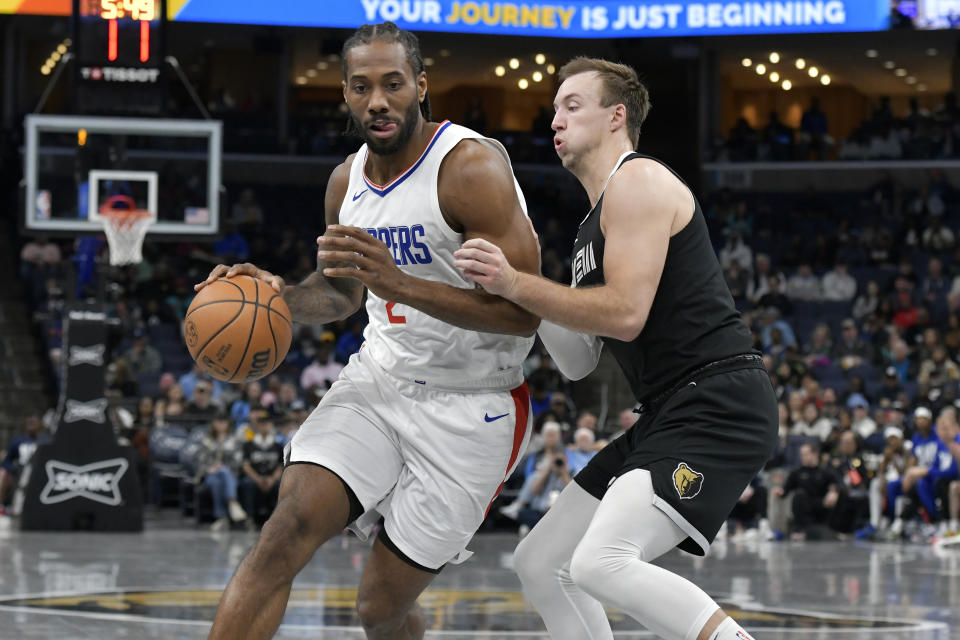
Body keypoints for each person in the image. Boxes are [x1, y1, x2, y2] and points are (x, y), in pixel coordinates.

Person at [195, 22, 539, 639]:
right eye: (361, 87)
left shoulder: (471, 168)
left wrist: (400, 282)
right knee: (283, 533)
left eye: (392, 84)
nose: (377, 100)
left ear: (420, 87)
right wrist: (276, 296)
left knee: (379, 610)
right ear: (347, 96)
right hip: (379, 380)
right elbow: (341, 294)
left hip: (475, 403)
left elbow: (524, 313)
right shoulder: (344, 183)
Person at [453, 57, 776, 640]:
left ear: (615, 117)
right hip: (668, 410)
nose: (556, 119)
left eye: (572, 105)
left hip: (719, 400)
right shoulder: (587, 231)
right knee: (540, 563)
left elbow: (626, 315)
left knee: (601, 561)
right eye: (553, 110)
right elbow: (579, 361)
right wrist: (524, 282)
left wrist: (519, 284)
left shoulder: (639, 179)